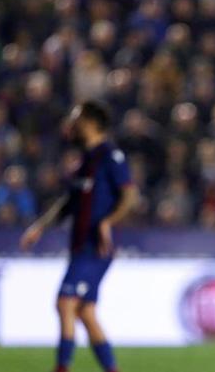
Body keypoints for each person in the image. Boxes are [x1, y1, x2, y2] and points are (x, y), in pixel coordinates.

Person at [20, 101, 138, 372]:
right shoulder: (86, 160)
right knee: (85, 312)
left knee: (65, 302)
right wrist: (39, 226)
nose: (71, 124)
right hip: (81, 246)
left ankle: (62, 367)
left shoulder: (111, 156)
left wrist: (108, 221)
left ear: (91, 123)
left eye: (76, 119)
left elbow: (130, 195)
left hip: (97, 248)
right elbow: (67, 202)